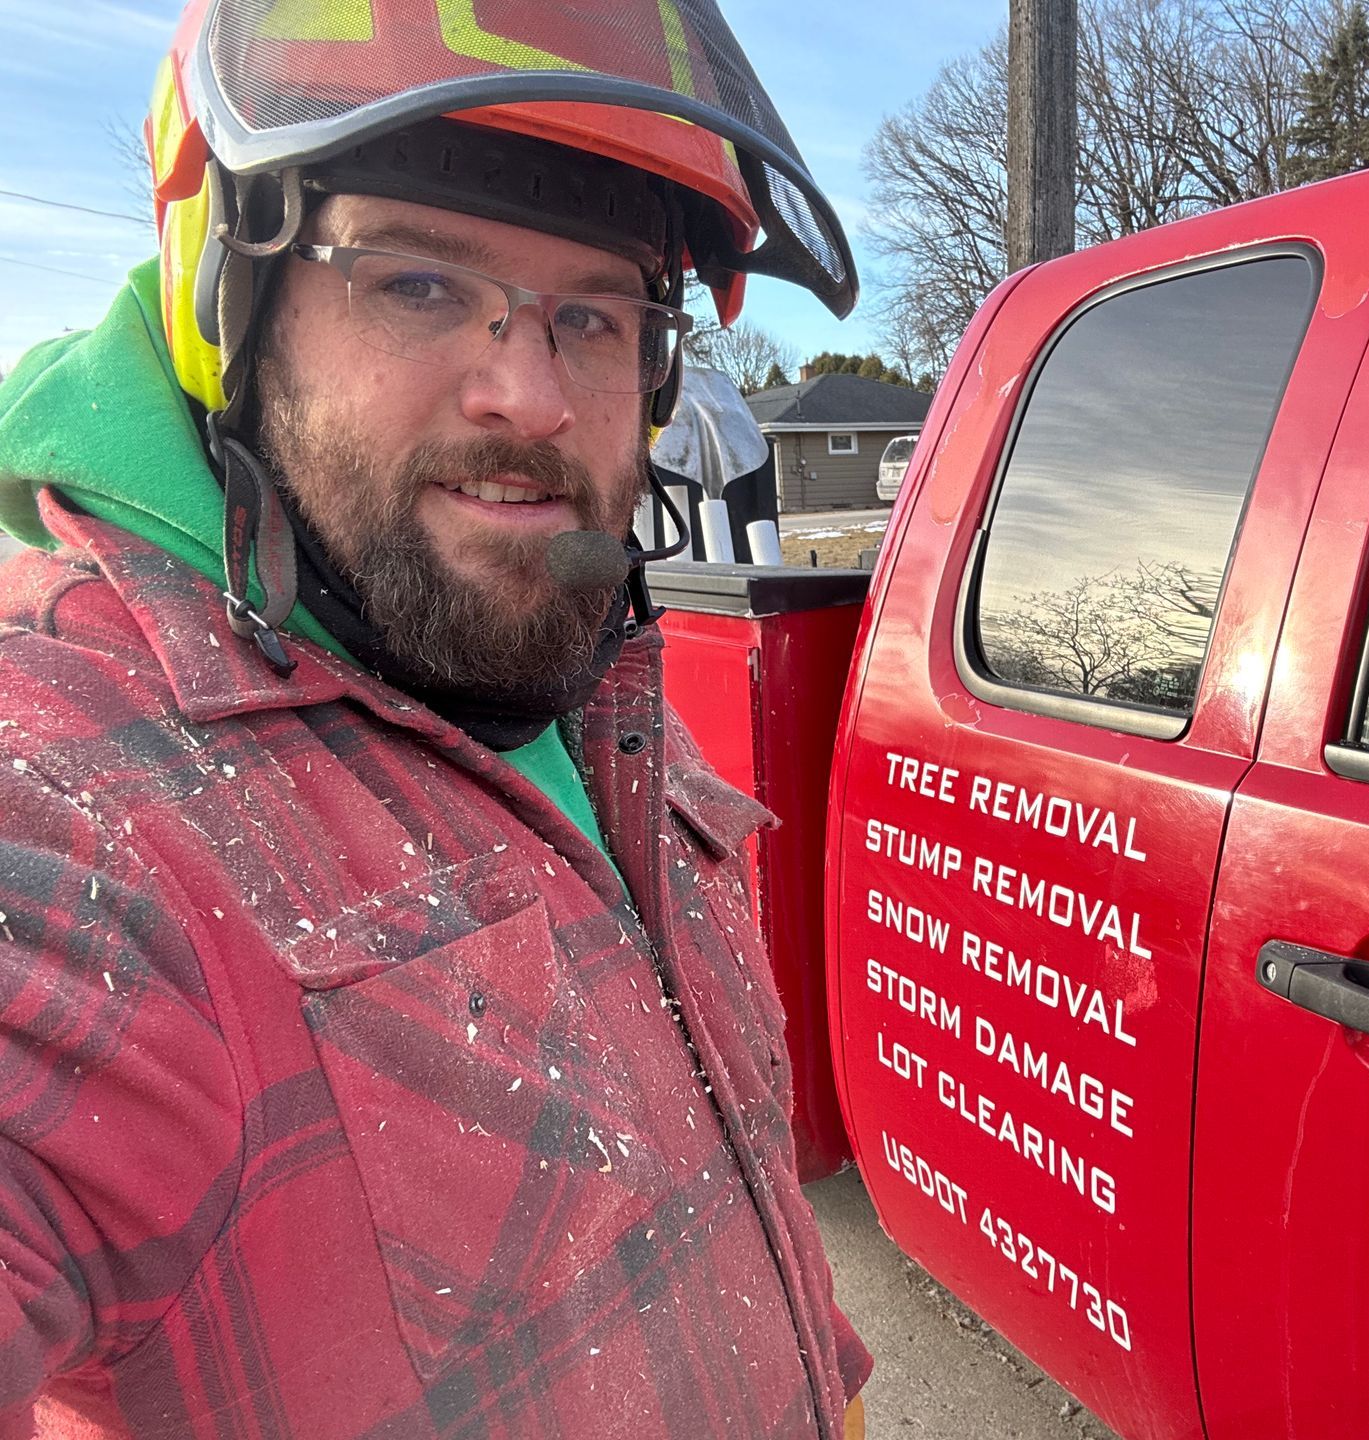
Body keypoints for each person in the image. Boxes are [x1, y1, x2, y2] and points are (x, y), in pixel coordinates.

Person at [0, 1, 869, 1434]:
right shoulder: (85, 802)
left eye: (592, 312)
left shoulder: (591, 679)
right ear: (230, 298)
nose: (528, 393)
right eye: (416, 281)